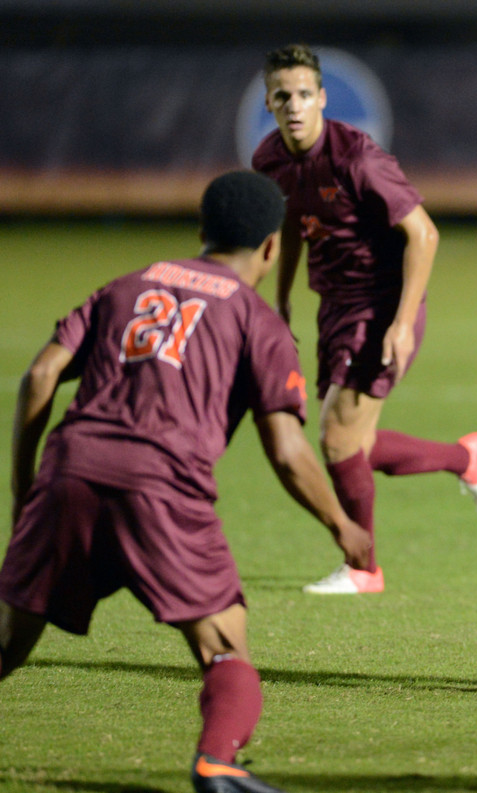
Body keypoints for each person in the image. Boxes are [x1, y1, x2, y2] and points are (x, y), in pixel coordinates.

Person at [0, 170, 373, 793]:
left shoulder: (125, 286)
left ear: (201, 231)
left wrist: (24, 491)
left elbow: (39, 378)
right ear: (272, 248)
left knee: (10, 642)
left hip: (71, 470)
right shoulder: (258, 320)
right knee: (225, 648)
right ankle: (218, 763)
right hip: (162, 487)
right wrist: (342, 525)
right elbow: (285, 450)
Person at [252, 43, 477, 595]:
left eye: (303, 94)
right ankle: (466, 458)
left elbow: (424, 234)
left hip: (385, 304)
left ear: (321, 97)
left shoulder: (357, 157)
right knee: (352, 447)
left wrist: (401, 322)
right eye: (281, 96)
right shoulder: (270, 159)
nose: (293, 105)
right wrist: (284, 296)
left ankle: (365, 568)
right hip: (336, 306)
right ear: (269, 104)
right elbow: (291, 222)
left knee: (337, 439)